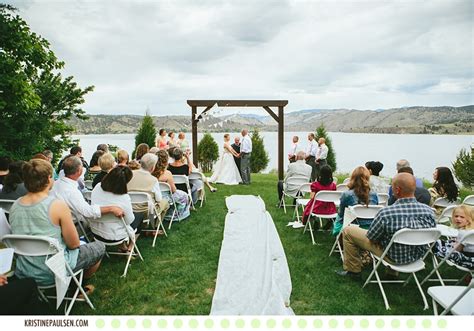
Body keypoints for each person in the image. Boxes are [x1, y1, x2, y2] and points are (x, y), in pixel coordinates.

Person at [9, 159, 106, 290]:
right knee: (99, 246)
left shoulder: (15, 205)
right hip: (54, 270)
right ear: (49, 179)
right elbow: (74, 244)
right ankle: (76, 287)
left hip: (25, 271)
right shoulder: (56, 205)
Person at [336, 173, 437, 278]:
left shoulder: (387, 213)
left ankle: (353, 271)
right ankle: (391, 274)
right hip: (416, 257)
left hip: (392, 257)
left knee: (348, 231)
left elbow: (372, 238)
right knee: (393, 237)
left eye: (392, 186)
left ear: (397, 190)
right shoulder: (429, 211)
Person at [50, 156, 125, 227]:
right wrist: (111, 208)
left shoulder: (56, 183)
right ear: (79, 171)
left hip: (55, 221)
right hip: (72, 225)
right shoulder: (71, 191)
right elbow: (87, 212)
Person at [91, 166, 143, 252]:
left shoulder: (97, 187)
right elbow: (129, 220)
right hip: (115, 235)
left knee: (118, 221)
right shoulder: (124, 197)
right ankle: (130, 248)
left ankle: (123, 246)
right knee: (139, 216)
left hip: (96, 231)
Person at [127, 153, 170, 231]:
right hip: (146, 211)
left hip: (130, 207)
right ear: (152, 167)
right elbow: (159, 199)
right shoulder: (153, 180)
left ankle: (146, 226)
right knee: (165, 202)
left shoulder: (129, 174)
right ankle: (154, 227)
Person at [332, 166, 379, 236]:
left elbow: (341, 214)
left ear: (353, 178)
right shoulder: (374, 194)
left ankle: (339, 237)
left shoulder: (346, 194)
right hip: (370, 228)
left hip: (353, 229)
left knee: (339, 216)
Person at [153, 150, 190, 221]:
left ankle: (169, 212)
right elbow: (173, 190)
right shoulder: (167, 173)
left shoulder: (151, 172)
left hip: (155, 197)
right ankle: (176, 215)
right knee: (184, 196)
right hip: (167, 197)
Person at [433, 205, 474, 269]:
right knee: (451, 241)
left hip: (468, 259)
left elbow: (458, 249)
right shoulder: (471, 230)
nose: (458, 218)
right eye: (456, 216)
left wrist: (452, 246)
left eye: (462, 217)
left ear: (469, 219)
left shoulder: (463, 232)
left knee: (437, 244)